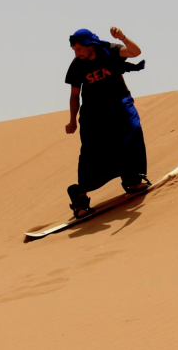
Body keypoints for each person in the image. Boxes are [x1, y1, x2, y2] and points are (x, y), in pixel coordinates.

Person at [64, 27, 149, 218]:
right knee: (91, 152)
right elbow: (74, 95)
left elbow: (136, 52)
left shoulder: (110, 49)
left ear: (88, 45)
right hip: (94, 112)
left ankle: (132, 179)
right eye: (74, 51)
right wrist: (72, 120)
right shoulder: (77, 65)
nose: (77, 54)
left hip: (119, 102)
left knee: (133, 130)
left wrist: (123, 38)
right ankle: (79, 197)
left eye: (78, 49)